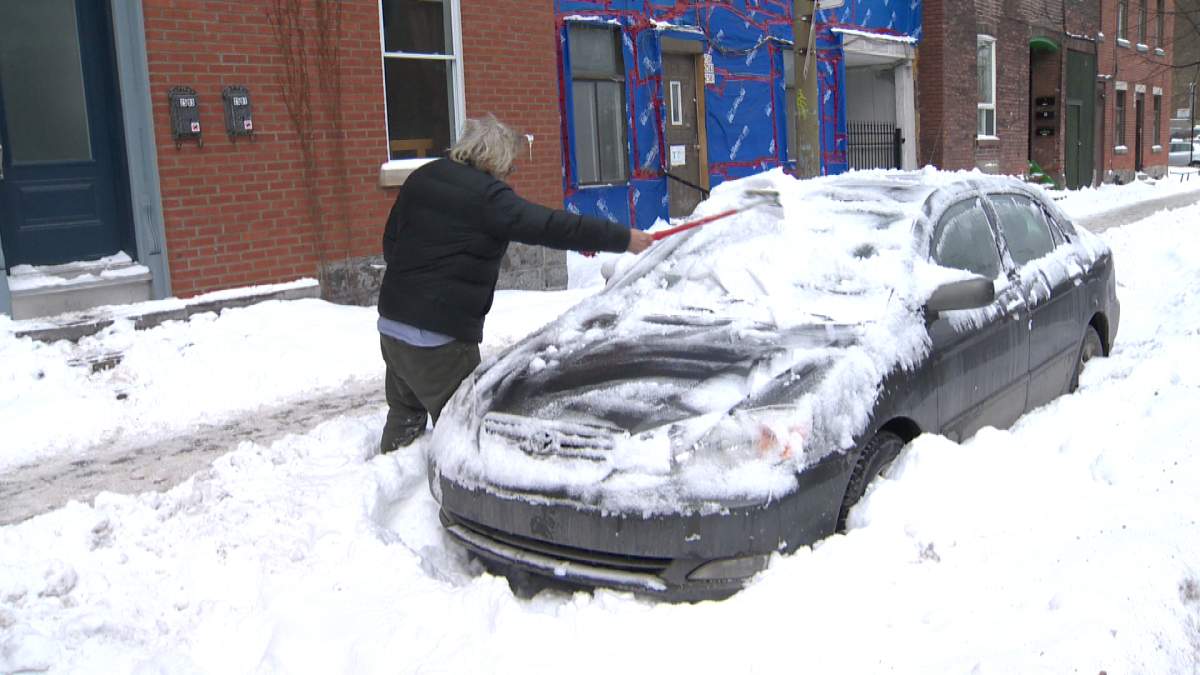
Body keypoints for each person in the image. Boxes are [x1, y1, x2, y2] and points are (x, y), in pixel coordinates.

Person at [377, 115, 654, 453]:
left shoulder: (423, 177)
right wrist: (623, 238)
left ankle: (388, 476)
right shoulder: (488, 198)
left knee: (404, 414)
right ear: (494, 160)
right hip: (438, 343)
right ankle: (454, 504)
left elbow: (391, 244)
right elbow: (551, 225)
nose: (510, 175)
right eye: (509, 166)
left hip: (392, 327)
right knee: (466, 432)